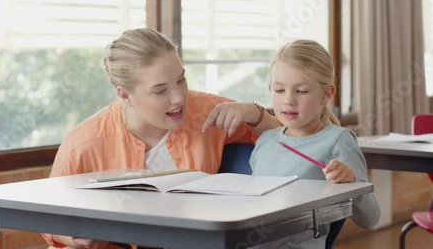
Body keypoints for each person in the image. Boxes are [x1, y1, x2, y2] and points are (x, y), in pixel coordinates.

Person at [43, 27, 280, 249]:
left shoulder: (208, 113)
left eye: (181, 80)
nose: (179, 97)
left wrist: (255, 113)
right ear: (125, 94)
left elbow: (293, 144)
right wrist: (71, 236)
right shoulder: (84, 143)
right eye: (160, 91)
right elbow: (46, 216)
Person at [248, 39, 380, 248]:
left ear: (326, 94)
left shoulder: (338, 141)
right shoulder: (266, 140)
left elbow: (370, 218)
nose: (288, 100)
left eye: (301, 91)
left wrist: (353, 183)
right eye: (280, 90)